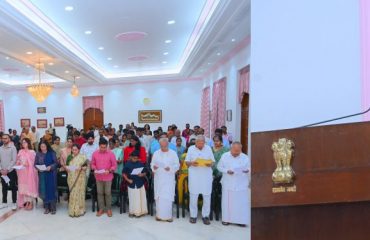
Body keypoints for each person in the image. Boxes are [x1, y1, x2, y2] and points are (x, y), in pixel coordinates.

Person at [217, 142, 250, 227]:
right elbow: (219, 167)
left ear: (240, 150)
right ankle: (226, 220)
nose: (236, 153)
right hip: (228, 182)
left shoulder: (245, 157)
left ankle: (241, 220)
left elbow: (250, 168)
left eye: (238, 151)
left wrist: (247, 170)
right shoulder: (225, 156)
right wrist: (227, 171)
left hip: (241, 184)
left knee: (241, 203)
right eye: (234, 151)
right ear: (231, 149)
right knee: (227, 203)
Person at [185, 135, 215, 225]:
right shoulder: (191, 149)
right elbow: (186, 162)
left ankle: (205, 216)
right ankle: (193, 216)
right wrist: (191, 163)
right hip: (194, 176)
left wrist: (210, 164)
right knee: (193, 195)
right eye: (199, 143)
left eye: (203, 143)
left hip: (206, 176)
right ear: (196, 142)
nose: (201, 145)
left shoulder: (208, 148)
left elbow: (213, 161)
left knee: (207, 196)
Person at [151, 138, 179, 222]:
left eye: (165, 146)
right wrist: (154, 167)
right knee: (159, 196)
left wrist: (170, 168)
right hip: (159, 178)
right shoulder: (156, 153)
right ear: (160, 145)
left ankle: (168, 216)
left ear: (168, 145)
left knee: (168, 196)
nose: (163, 148)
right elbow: (152, 164)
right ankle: (159, 215)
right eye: (161, 146)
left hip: (169, 178)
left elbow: (177, 165)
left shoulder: (173, 153)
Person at [91, 138, 117, 217]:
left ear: (107, 146)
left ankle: (108, 209)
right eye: (101, 147)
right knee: (99, 193)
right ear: (99, 146)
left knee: (108, 193)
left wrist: (109, 171)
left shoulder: (111, 153)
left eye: (105, 147)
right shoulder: (95, 153)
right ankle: (101, 209)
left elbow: (114, 165)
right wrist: (94, 169)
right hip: (98, 177)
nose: (103, 149)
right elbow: (92, 164)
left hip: (108, 177)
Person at [122, 150, 148, 218]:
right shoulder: (127, 164)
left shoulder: (140, 163)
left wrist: (142, 174)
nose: (135, 160)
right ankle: (132, 212)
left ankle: (140, 212)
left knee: (140, 198)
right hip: (131, 183)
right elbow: (124, 173)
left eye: (136, 158)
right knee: (132, 198)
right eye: (134, 158)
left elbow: (145, 172)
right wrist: (128, 180)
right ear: (131, 157)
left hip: (140, 182)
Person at [35, 141, 58, 214]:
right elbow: (35, 164)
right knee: (44, 189)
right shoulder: (38, 154)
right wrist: (39, 168)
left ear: (47, 146)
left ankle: (53, 207)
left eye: (44, 147)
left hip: (51, 174)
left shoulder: (52, 153)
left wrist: (50, 167)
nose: (43, 148)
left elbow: (56, 163)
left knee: (51, 189)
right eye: (41, 147)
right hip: (42, 174)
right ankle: (46, 207)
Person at [16, 138, 38, 210]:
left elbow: (34, 162)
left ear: (28, 143)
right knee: (23, 188)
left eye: (25, 142)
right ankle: (26, 202)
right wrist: (18, 163)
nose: (23, 144)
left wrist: (27, 163)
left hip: (29, 172)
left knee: (29, 187)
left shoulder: (32, 152)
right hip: (22, 172)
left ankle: (30, 202)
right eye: (22, 142)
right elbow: (18, 160)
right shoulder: (20, 151)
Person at [66, 144, 88, 217]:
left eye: (76, 150)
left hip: (80, 178)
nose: (74, 151)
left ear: (79, 150)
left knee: (79, 193)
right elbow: (67, 167)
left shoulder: (83, 157)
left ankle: (80, 210)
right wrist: (71, 168)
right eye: (73, 150)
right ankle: (72, 211)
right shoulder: (69, 157)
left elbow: (86, 167)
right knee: (72, 194)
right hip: (71, 178)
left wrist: (81, 168)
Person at [0, 134, 18, 210]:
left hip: (11, 171)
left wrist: (7, 170)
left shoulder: (13, 148)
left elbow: (13, 160)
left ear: (9, 139)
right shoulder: (0, 148)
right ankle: (4, 202)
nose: (4, 140)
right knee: (4, 187)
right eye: (3, 138)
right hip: (2, 171)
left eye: (6, 138)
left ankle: (14, 202)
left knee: (13, 187)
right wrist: (1, 169)